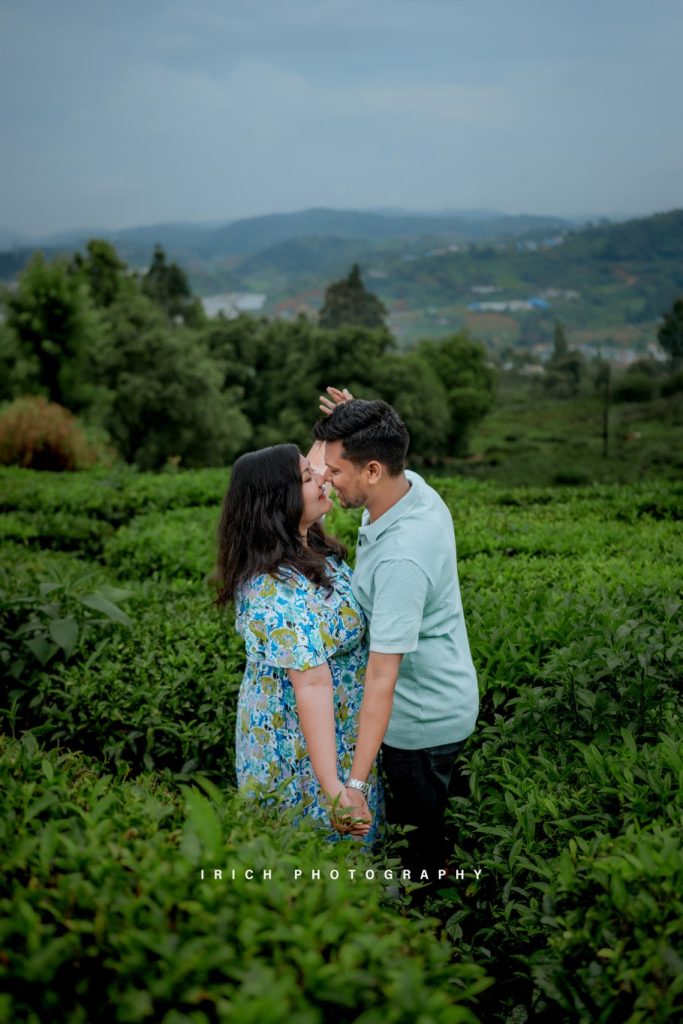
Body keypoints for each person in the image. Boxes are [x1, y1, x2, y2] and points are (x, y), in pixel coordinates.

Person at [312, 394, 479, 891]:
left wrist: (355, 786)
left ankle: (436, 934)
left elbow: (381, 681)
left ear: (372, 471)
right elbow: (382, 446)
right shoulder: (410, 491)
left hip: (420, 727)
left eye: (336, 470)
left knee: (421, 859)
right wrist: (363, 416)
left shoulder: (402, 560)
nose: (325, 477)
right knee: (434, 839)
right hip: (441, 695)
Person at [214, 442, 383, 846]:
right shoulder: (272, 588)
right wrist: (331, 785)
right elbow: (311, 684)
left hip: (338, 730)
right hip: (298, 745)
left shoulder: (310, 547)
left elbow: (313, 461)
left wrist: (342, 428)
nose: (323, 476)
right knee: (313, 857)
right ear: (280, 501)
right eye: (309, 476)